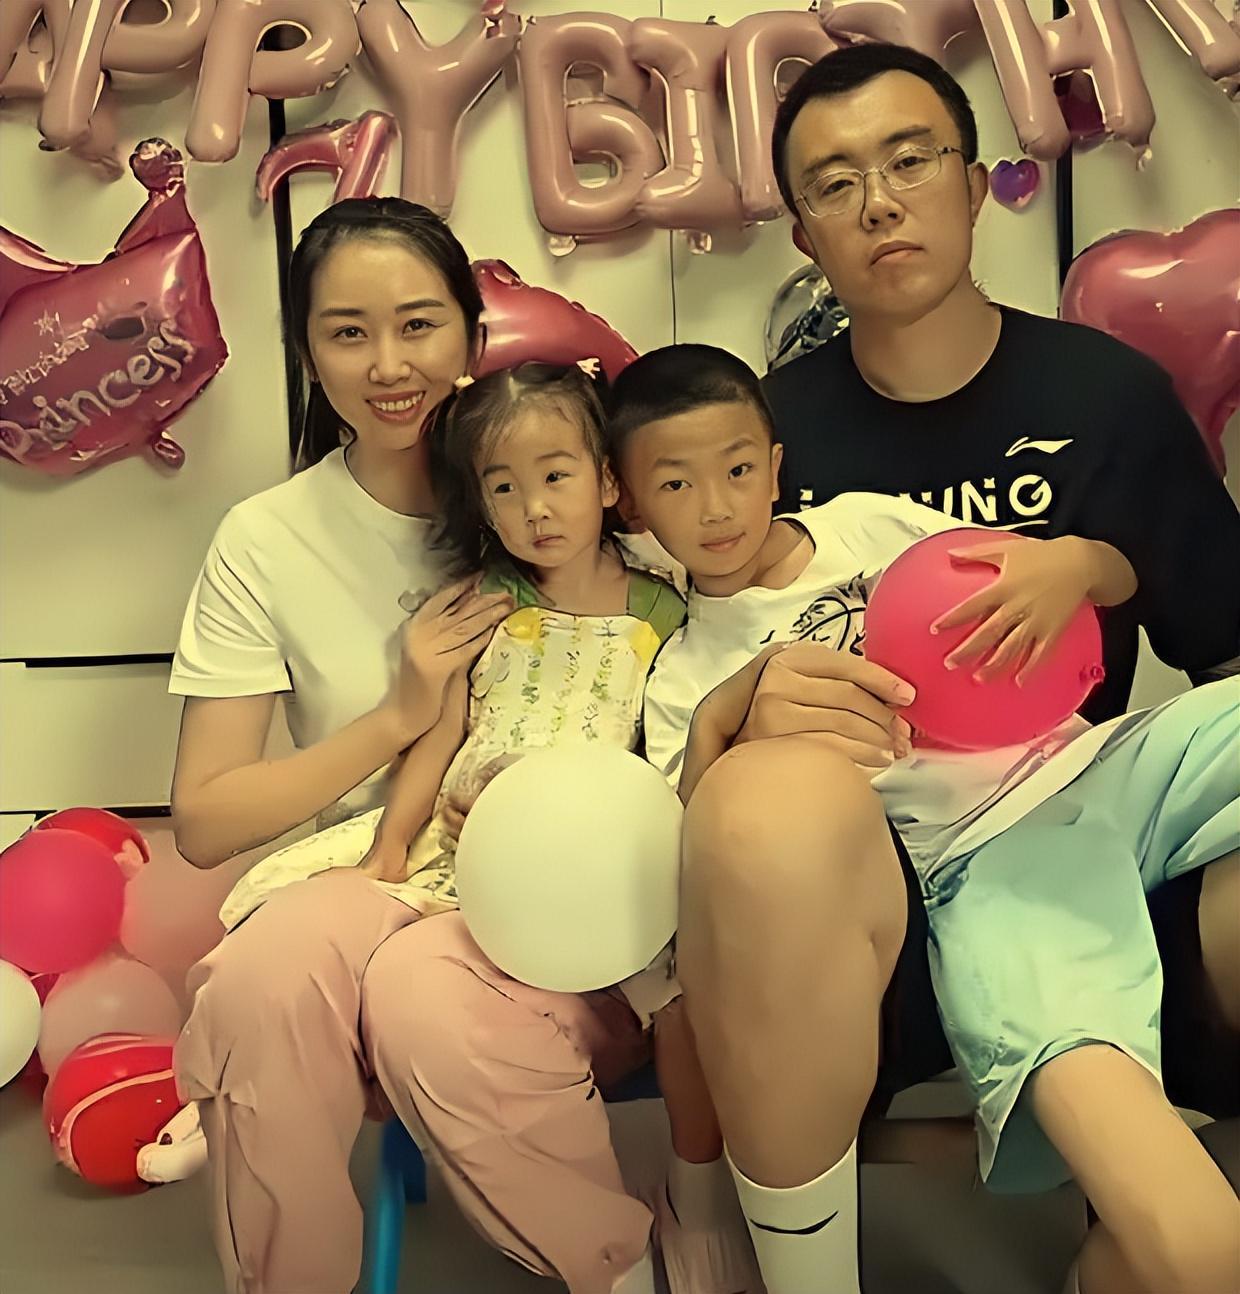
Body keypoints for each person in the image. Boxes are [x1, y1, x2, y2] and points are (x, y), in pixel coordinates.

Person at [606, 341, 1240, 1294]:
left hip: (1103, 761)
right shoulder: (686, 671)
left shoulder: (870, 523)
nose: (716, 508)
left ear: (775, 466)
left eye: (737, 471)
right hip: (976, 859)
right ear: (631, 505)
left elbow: (1105, 578)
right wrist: (720, 730)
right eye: (675, 485)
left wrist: (1077, 560)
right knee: (1189, 1238)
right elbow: (702, 890)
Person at [164, 200, 655, 1294]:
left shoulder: (574, 492)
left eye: (418, 325)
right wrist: (396, 714)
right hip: (374, 874)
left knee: (427, 995)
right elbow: (204, 819)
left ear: (474, 336)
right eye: (347, 332)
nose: (388, 365)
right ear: (307, 354)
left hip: (561, 903)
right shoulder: (266, 539)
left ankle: (614, 1268)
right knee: (260, 985)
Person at [201, 361, 759, 1293]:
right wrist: (389, 846)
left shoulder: (665, 608)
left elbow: (672, 747)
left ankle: (671, 1221)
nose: (535, 508)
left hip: (583, 875)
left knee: (658, 994)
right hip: (451, 849)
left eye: (556, 476)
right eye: (504, 488)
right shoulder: (483, 607)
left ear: (607, 483)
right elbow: (440, 731)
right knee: (267, 973)